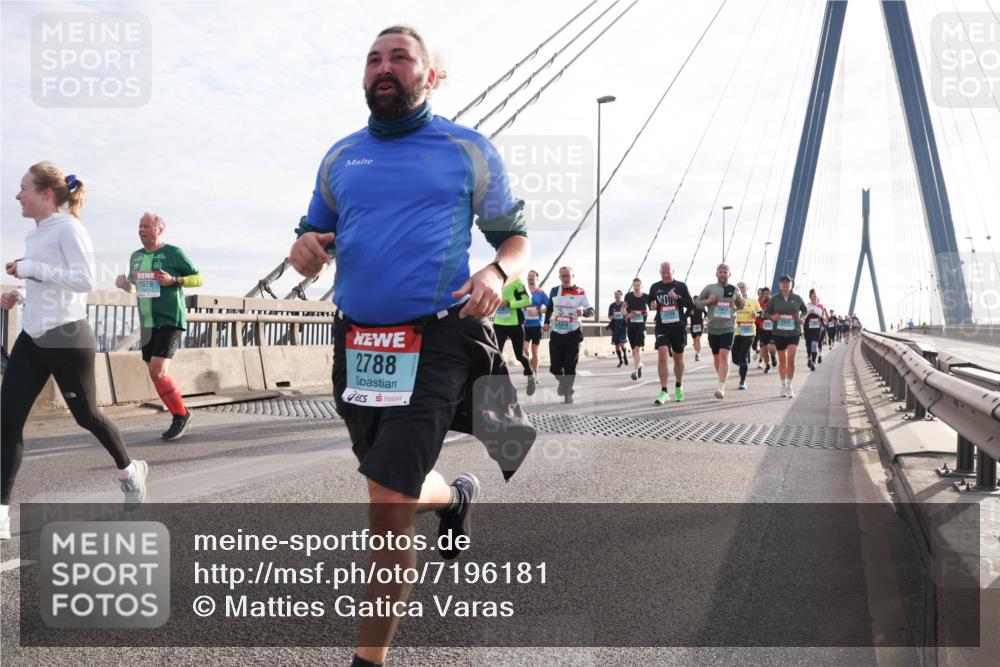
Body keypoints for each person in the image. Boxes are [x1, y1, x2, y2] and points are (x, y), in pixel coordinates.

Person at [290, 26, 535, 667]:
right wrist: (306, 251)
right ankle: (453, 498)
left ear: (432, 75)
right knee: (385, 483)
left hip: (438, 338)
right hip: (360, 341)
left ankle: (368, 660)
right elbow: (309, 240)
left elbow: (514, 240)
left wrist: (495, 273)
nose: (384, 67)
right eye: (374, 59)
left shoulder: (467, 149)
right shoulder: (340, 157)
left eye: (400, 57)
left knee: (387, 501)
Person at [2, 162, 149, 540]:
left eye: (23, 189)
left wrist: (31, 268)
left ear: (46, 194)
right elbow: (47, 281)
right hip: (34, 337)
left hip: (67, 336)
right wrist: (19, 293)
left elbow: (83, 280)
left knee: (86, 415)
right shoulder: (37, 234)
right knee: (7, 421)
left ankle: (130, 470)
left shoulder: (69, 228)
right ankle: (1, 514)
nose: (17, 195)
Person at [115, 212, 203, 440]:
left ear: (159, 230)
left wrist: (174, 280)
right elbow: (136, 288)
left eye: (146, 226)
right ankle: (180, 413)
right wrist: (125, 285)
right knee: (155, 373)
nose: (141, 230)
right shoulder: (135, 257)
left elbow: (198, 278)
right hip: (147, 321)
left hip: (170, 318)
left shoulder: (174, 253)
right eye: (139, 226)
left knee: (158, 370)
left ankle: (181, 415)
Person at [694, 264, 746, 399]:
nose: (722, 274)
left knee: (724, 355)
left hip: (728, 327)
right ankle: (721, 378)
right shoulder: (709, 288)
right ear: (716, 274)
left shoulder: (734, 289)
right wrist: (708, 300)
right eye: (720, 272)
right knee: (717, 358)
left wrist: (740, 300)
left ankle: (721, 386)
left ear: (729, 274)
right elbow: (697, 303)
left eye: (725, 272)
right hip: (713, 328)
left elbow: (741, 305)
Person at [544, 266, 594, 404]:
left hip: (573, 333)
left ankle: (568, 393)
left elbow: (591, 311)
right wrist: (546, 322)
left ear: (573, 276)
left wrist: (583, 312)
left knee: (570, 366)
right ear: (560, 277)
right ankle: (563, 382)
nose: (566, 279)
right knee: (554, 368)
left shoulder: (580, 292)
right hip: (556, 333)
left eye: (568, 276)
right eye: (563, 276)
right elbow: (549, 308)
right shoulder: (555, 291)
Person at [647, 261, 693, 405]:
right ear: (660, 272)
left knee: (678, 358)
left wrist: (677, 298)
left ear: (673, 272)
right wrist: (652, 305)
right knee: (662, 353)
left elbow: (690, 304)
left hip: (678, 327)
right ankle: (664, 391)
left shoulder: (681, 286)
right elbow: (650, 301)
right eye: (663, 273)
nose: (666, 275)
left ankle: (678, 387)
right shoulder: (655, 287)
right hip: (662, 327)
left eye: (668, 273)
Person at [764, 274, 808, 398]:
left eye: (787, 282)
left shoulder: (797, 298)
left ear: (791, 285)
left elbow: (805, 310)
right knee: (782, 360)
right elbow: (765, 312)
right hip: (779, 333)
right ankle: (783, 385)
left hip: (793, 332)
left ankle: (789, 385)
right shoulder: (774, 299)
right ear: (779, 285)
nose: (785, 284)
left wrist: (802, 318)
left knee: (791, 359)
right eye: (783, 282)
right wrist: (772, 317)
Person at [492, 275, 536, 395]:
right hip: (498, 323)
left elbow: (528, 301)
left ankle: (530, 374)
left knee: (519, 355)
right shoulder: (495, 279)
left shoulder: (518, 280)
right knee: (496, 355)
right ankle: (504, 387)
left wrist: (509, 303)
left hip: (515, 324)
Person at [522, 269, 549, 380]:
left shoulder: (540, 292)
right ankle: (528, 369)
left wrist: (538, 311)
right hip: (524, 325)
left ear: (537, 278)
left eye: (533, 276)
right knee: (525, 349)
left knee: (534, 351)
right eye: (529, 276)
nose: (531, 277)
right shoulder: (522, 291)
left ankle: (535, 373)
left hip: (537, 325)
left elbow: (550, 307)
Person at [732, 281, 759, 391]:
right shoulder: (732, 302)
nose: (741, 289)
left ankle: (742, 381)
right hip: (736, 332)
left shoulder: (752, 301)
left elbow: (760, 312)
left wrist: (756, 315)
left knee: (742, 356)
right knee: (735, 358)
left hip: (749, 331)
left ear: (747, 288)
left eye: (743, 287)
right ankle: (743, 364)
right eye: (738, 287)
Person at [622, 278, 648, 381]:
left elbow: (648, 310)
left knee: (637, 349)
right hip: (631, 326)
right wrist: (628, 314)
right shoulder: (628, 296)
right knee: (634, 351)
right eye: (634, 285)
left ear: (641, 286)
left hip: (641, 325)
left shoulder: (645, 297)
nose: (636, 287)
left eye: (638, 285)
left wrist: (644, 313)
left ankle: (635, 372)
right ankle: (640, 364)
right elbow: (622, 309)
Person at [803, 289, 826, 371]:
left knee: (814, 344)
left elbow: (823, 318)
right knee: (808, 345)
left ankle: (813, 362)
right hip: (807, 328)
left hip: (817, 328)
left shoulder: (820, 307)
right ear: (810, 298)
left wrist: (823, 323)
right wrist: (809, 313)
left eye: (815, 297)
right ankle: (809, 358)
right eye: (813, 297)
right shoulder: (806, 306)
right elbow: (803, 316)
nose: (814, 299)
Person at [756, 286, 777, 372]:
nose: (766, 295)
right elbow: (756, 316)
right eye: (764, 293)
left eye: (767, 293)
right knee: (764, 349)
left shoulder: (775, 304)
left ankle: (773, 356)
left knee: (771, 347)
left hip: (773, 329)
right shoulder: (759, 304)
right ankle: (767, 365)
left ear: (770, 294)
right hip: (762, 328)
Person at [606, 290, 629, 368]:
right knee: (616, 345)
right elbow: (609, 316)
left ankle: (625, 356)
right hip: (615, 327)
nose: (617, 296)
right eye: (615, 294)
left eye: (618, 294)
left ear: (621, 296)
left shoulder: (624, 304)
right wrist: (612, 316)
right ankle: (620, 361)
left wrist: (624, 315)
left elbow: (627, 315)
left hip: (622, 327)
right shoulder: (612, 305)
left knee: (622, 344)